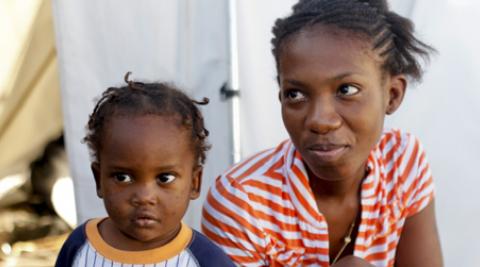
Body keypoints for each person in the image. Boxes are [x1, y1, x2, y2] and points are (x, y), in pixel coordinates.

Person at [201, 0, 443, 266]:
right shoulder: (241, 202)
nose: (320, 121)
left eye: (346, 90)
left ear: (392, 95)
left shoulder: (402, 161)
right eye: (295, 94)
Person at [55, 73, 234, 267]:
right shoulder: (79, 247)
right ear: (99, 180)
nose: (144, 196)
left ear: (194, 183)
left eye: (164, 178)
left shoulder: (207, 261)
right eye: (123, 177)